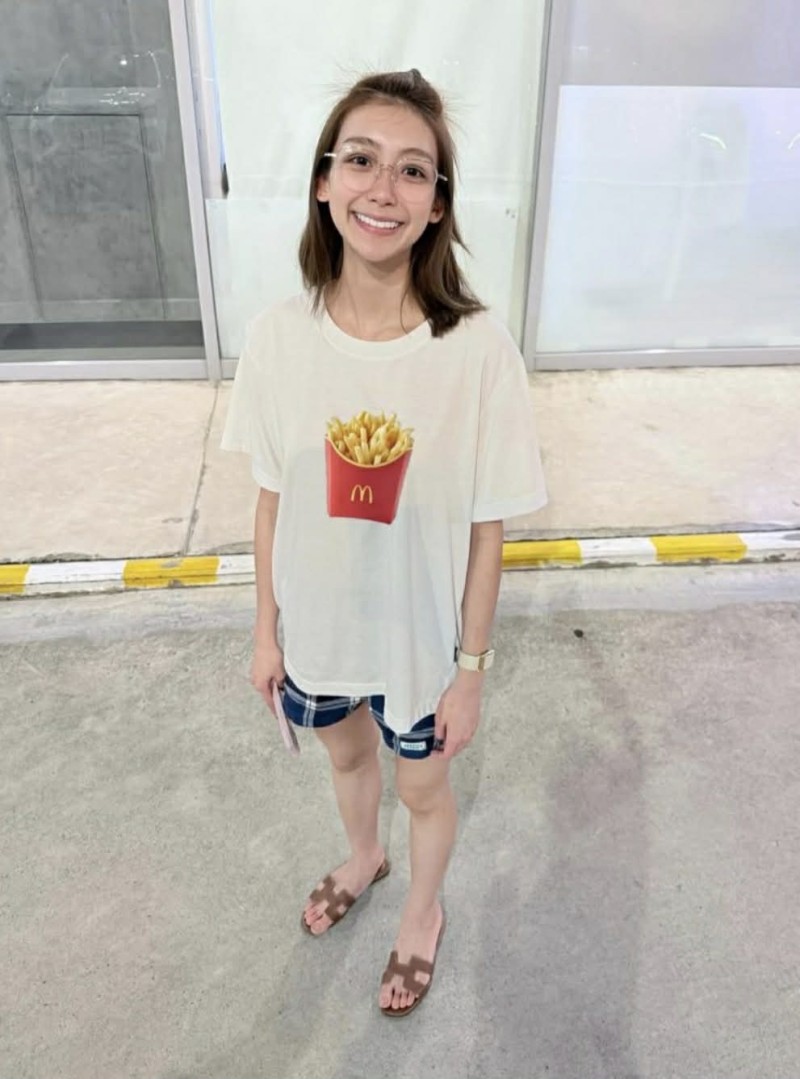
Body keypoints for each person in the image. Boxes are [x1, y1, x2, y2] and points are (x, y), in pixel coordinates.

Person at [222, 68, 547, 1017]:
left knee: (424, 787)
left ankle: (422, 910)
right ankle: (363, 856)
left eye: (414, 170)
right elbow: (272, 502)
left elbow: (486, 530)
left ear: (438, 204)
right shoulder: (277, 339)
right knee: (347, 759)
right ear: (325, 181)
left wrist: (471, 670)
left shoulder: (477, 351)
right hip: (320, 629)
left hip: (421, 645)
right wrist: (266, 632)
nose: (384, 189)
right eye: (361, 160)